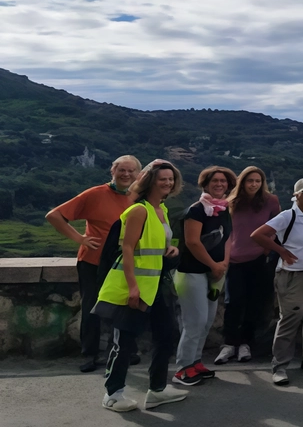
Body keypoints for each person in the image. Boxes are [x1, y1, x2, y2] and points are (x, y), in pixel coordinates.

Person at [93, 159, 186, 412]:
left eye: (171, 178)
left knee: (166, 335)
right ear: (150, 181)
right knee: (124, 341)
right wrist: (133, 287)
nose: (168, 182)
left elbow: (154, 245)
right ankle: (113, 394)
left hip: (156, 287)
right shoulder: (139, 210)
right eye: (162, 178)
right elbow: (128, 248)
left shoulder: (161, 210)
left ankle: (156, 390)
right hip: (132, 287)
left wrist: (171, 249)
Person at [47, 154, 140, 372]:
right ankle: (89, 354)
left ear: (138, 174)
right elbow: (54, 215)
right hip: (93, 261)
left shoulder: (139, 198)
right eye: (121, 170)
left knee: (125, 307)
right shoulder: (96, 194)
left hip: (125, 262)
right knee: (92, 308)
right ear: (112, 171)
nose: (126, 174)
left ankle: (121, 351)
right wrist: (79, 238)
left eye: (131, 171)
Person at [251, 178, 303, 386]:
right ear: (297, 195)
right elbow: (258, 235)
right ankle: (279, 366)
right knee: (290, 318)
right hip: (294, 274)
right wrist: (282, 251)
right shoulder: (287, 216)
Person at [173, 166, 236, 386]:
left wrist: (224, 263)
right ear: (205, 184)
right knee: (194, 321)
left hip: (215, 272)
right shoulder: (197, 210)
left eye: (223, 181)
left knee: (207, 320)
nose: (220, 184)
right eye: (215, 181)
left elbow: (228, 238)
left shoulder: (223, 209)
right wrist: (213, 265)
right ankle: (183, 368)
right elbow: (192, 242)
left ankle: (195, 361)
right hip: (192, 272)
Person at [216, 166, 281, 364]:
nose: (254, 184)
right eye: (250, 180)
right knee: (233, 302)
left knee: (254, 303)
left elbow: (278, 225)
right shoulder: (231, 202)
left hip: (260, 259)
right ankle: (229, 344)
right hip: (235, 259)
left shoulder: (271, 201)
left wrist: (269, 249)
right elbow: (223, 231)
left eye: (257, 181)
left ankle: (245, 343)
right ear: (242, 182)